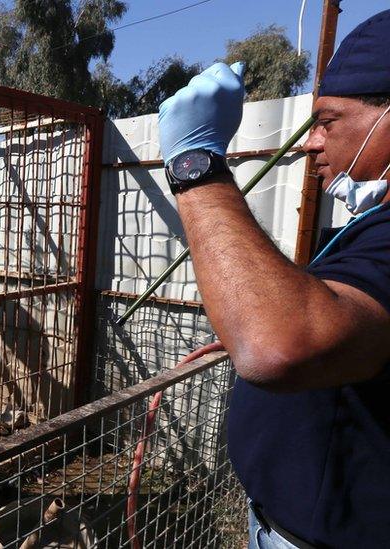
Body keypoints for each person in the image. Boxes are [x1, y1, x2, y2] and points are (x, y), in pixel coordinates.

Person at [157, 10, 390, 549]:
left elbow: (275, 344)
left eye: (328, 121)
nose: (313, 143)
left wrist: (195, 164)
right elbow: (341, 318)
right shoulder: (374, 224)